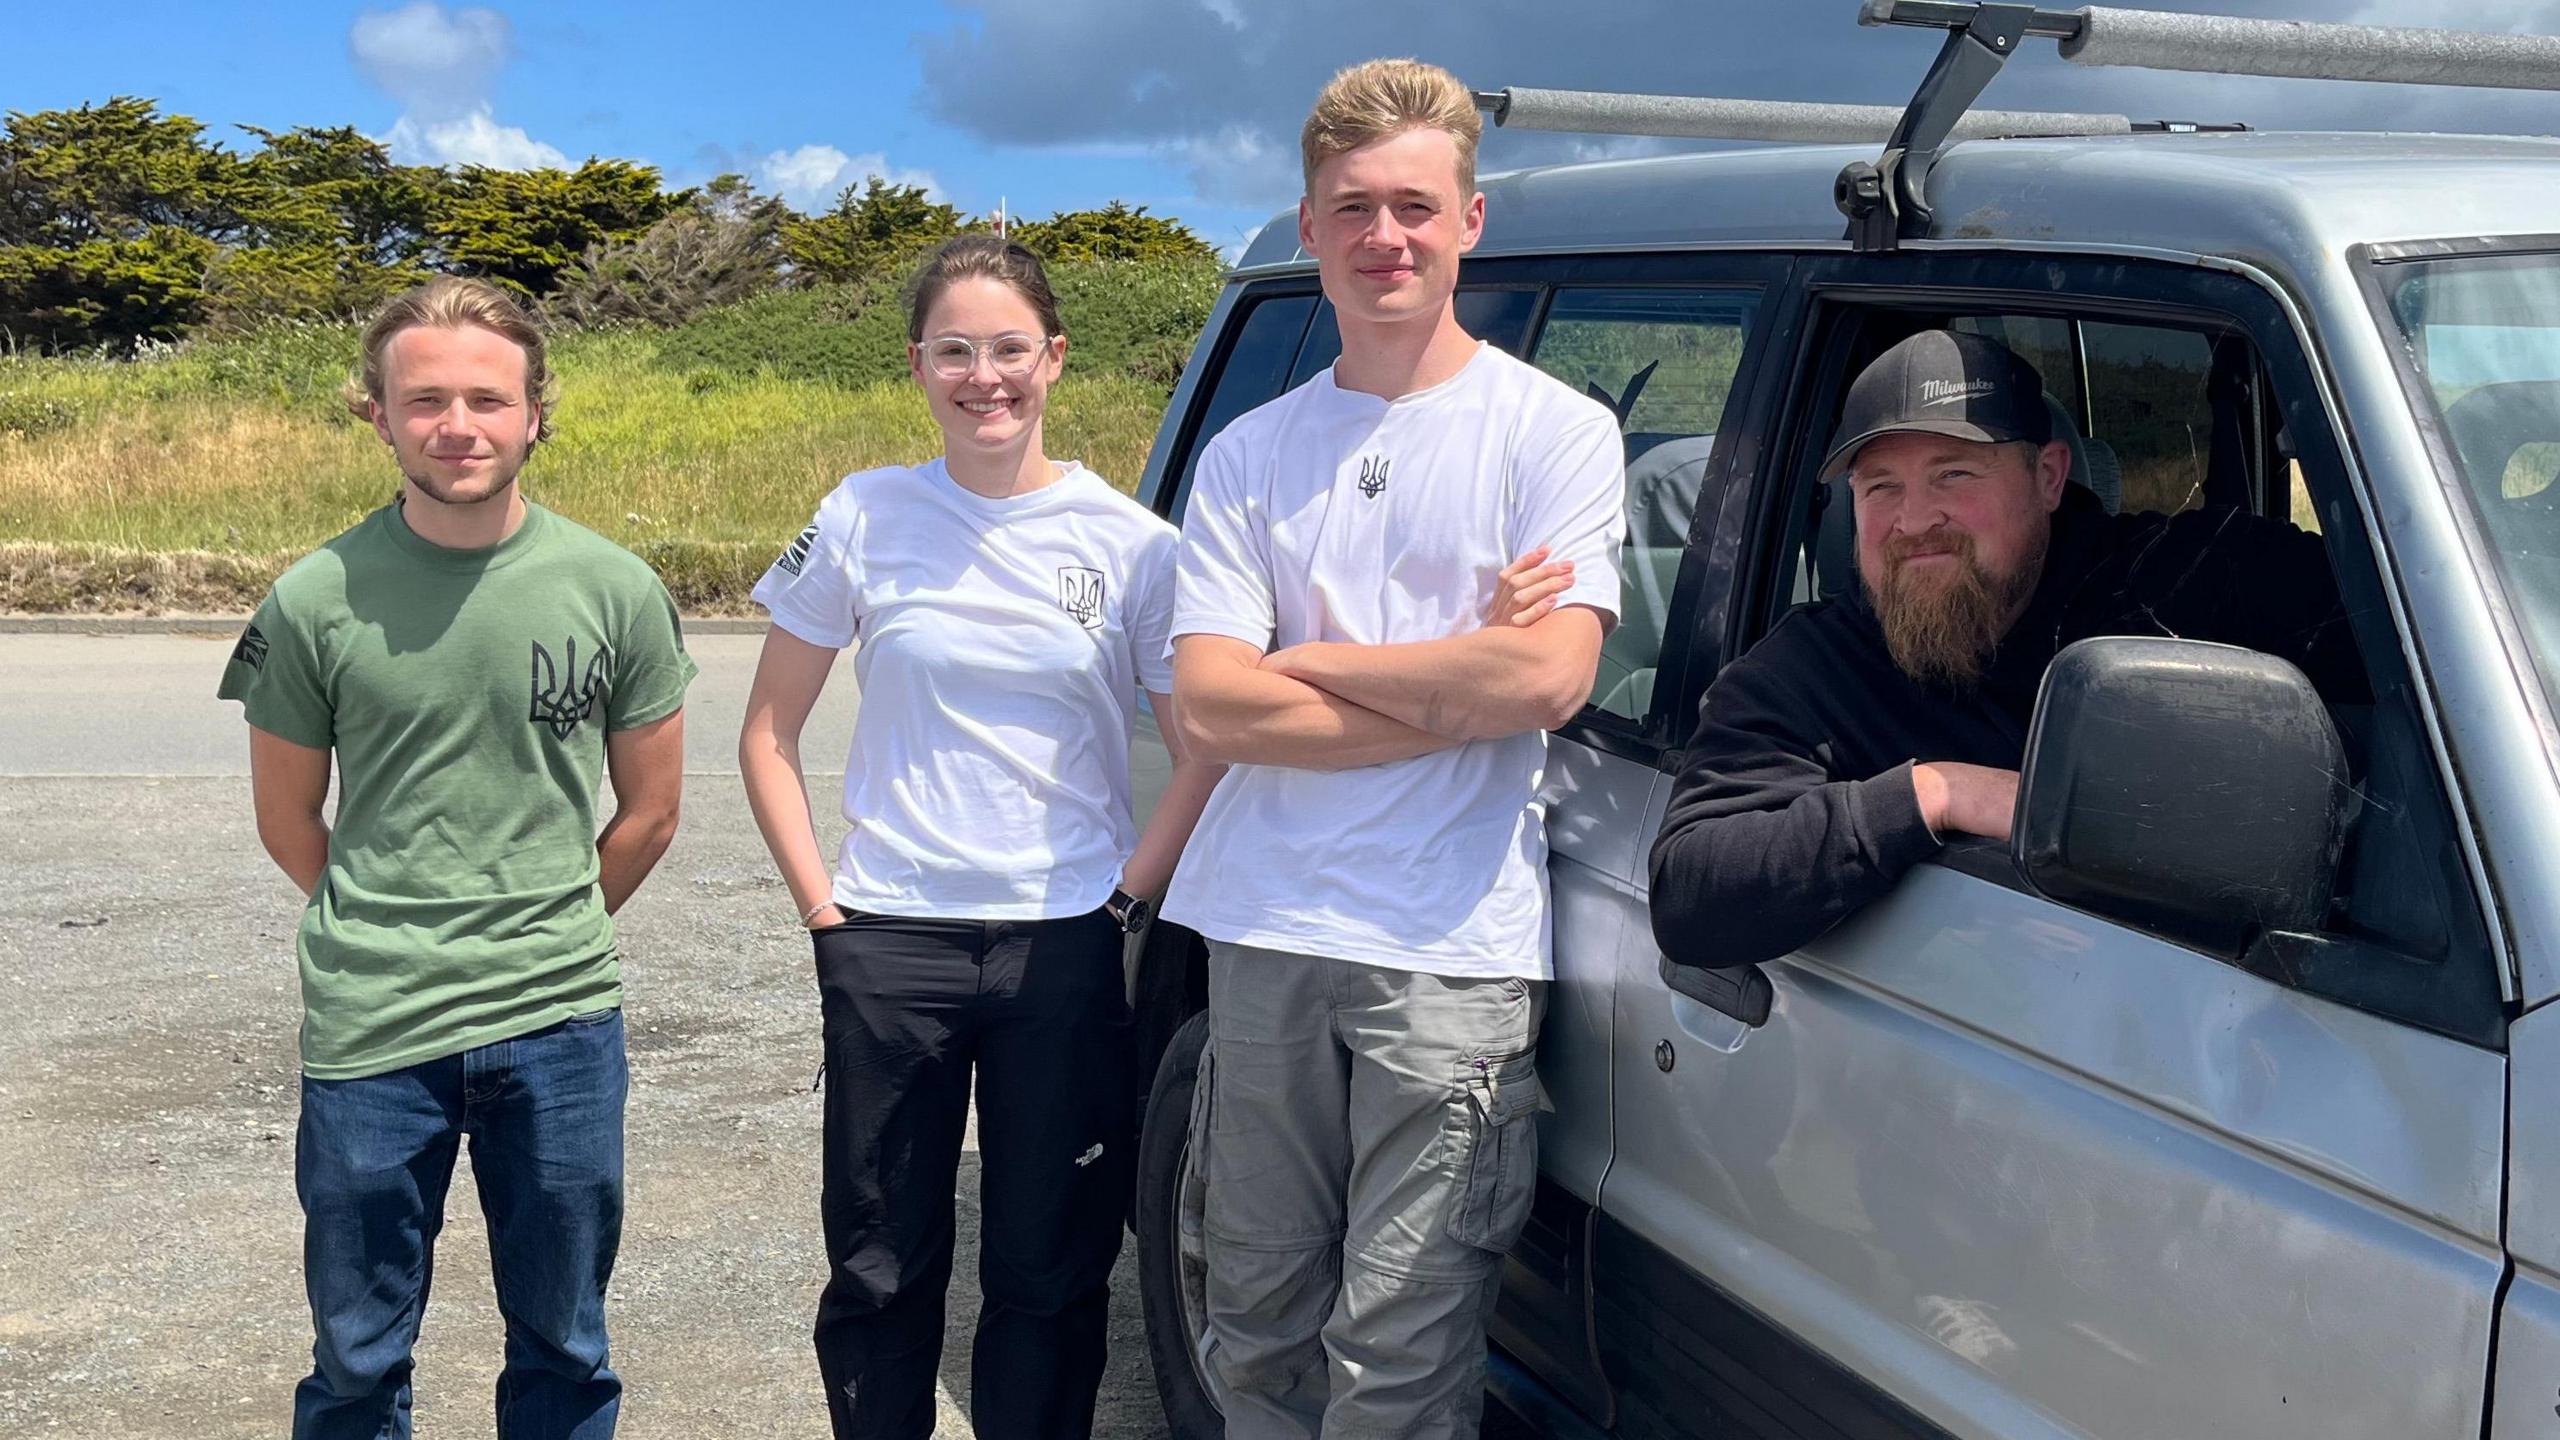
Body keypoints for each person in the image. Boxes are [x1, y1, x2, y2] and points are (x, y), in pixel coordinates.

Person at [1166, 59, 1627, 1439]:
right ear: (1307, 226)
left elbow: (1547, 674)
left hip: (1452, 953)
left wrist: (1307, 662)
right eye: (1354, 207)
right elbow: (1209, 709)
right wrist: (1451, 681)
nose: (1387, 237)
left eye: (1416, 207)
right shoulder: (1252, 452)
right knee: (1252, 1327)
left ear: (1470, 222)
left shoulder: (1553, 433)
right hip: (1263, 933)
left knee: (1404, 1354)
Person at [736, 233, 1225, 1440]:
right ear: (917, 366)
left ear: (1054, 358)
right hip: (889, 938)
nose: (983, 375)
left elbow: (1206, 742)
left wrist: (1126, 899)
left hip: (1062, 942)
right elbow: (765, 736)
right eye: (953, 350)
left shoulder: (1130, 545)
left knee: (1049, 1272)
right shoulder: (862, 514)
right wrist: (823, 911)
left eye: (1009, 348)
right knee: (879, 1263)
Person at [218, 277, 697, 1440]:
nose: (458, 425)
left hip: (562, 1021)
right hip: (373, 1027)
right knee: (356, 1358)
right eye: (423, 398)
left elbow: (649, 814)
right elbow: (291, 823)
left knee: (567, 1349)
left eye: (488, 398)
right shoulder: (312, 598)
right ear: (377, 415)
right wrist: (388, 926)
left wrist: (551, 926)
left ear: (537, 412)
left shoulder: (616, 589)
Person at [1649, 328, 2366, 970]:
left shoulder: (2188, 580)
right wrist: (1936, 793)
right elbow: (1691, 895)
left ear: (2048, 477)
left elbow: (2426, 670)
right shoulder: (1815, 673)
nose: (1915, 518)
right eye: (1880, 488)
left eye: (1954, 474)